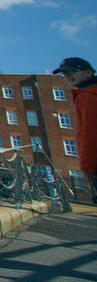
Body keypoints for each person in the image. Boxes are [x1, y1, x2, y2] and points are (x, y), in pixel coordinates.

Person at [54, 56, 97, 203]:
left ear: (88, 73)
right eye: (64, 73)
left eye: (72, 71)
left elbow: (89, 133)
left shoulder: (87, 96)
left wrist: (87, 166)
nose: (67, 76)